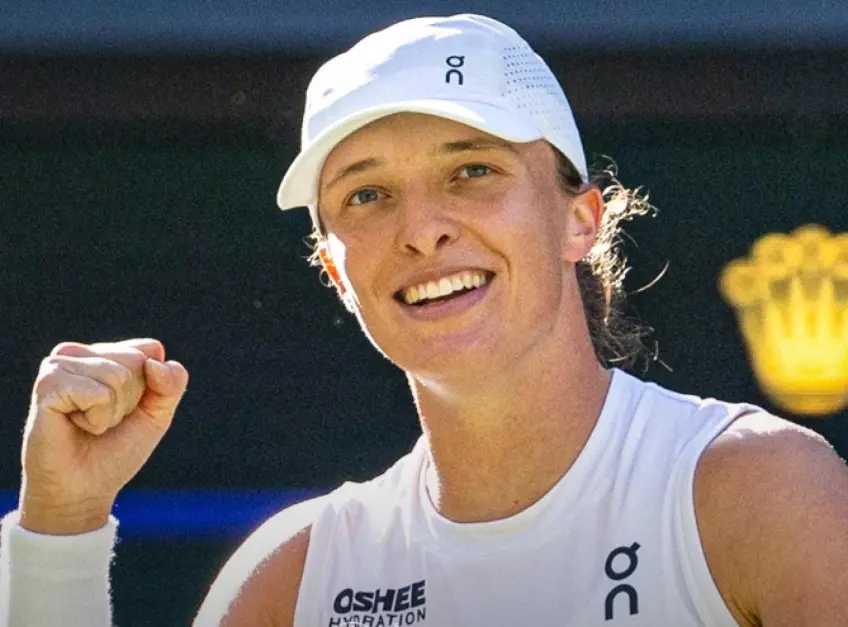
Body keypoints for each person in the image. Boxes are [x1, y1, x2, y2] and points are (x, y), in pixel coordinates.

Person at [2, 13, 847, 627]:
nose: (421, 229)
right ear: (336, 270)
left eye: (472, 170)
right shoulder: (290, 580)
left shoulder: (759, 489)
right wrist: (60, 527)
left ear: (580, 219)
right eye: (367, 194)